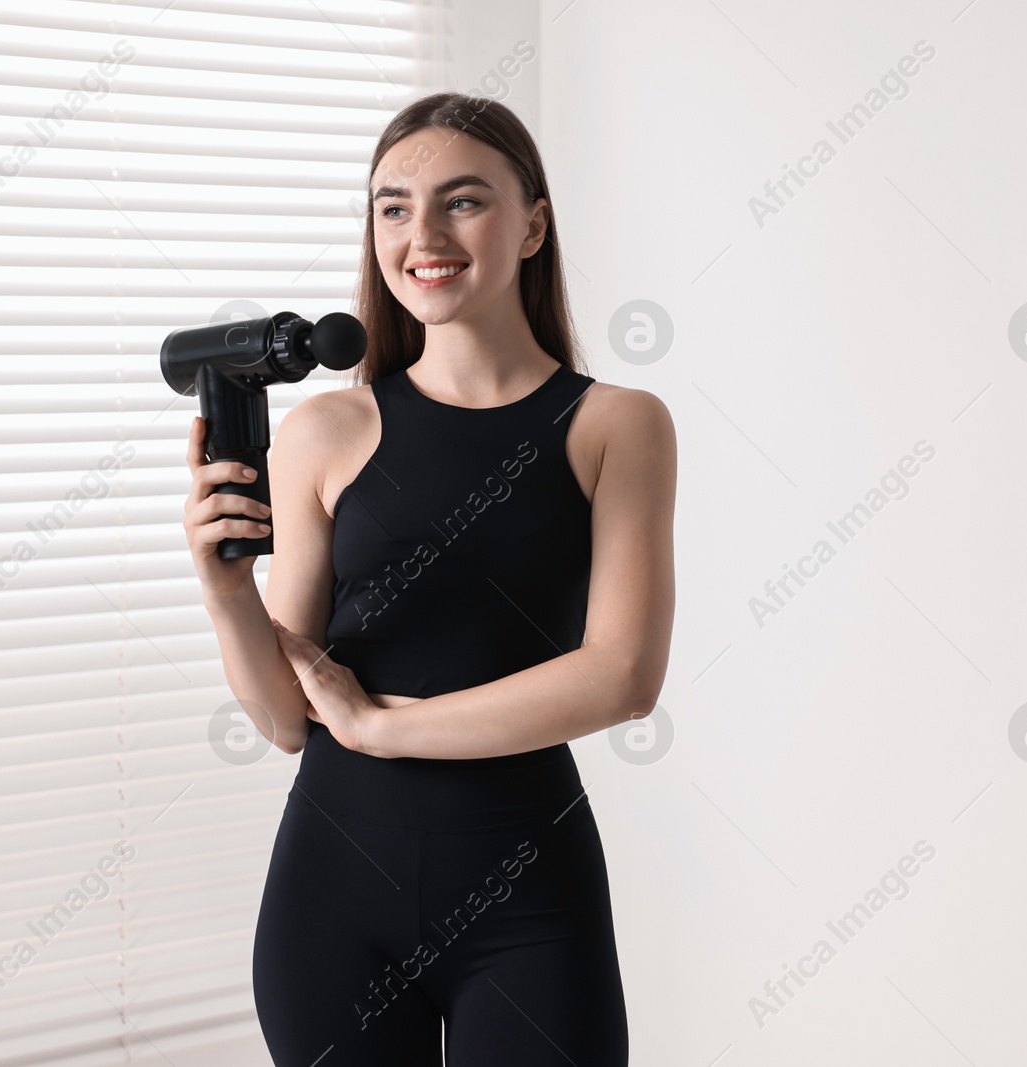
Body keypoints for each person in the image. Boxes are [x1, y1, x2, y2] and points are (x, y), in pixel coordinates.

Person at [184, 90, 676, 1066]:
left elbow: (621, 676)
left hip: (527, 895)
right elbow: (287, 718)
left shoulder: (616, 424)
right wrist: (224, 591)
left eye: (463, 201)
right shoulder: (327, 429)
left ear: (532, 222)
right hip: (330, 898)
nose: (424, 234)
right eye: (393, 206)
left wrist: (381, 725)